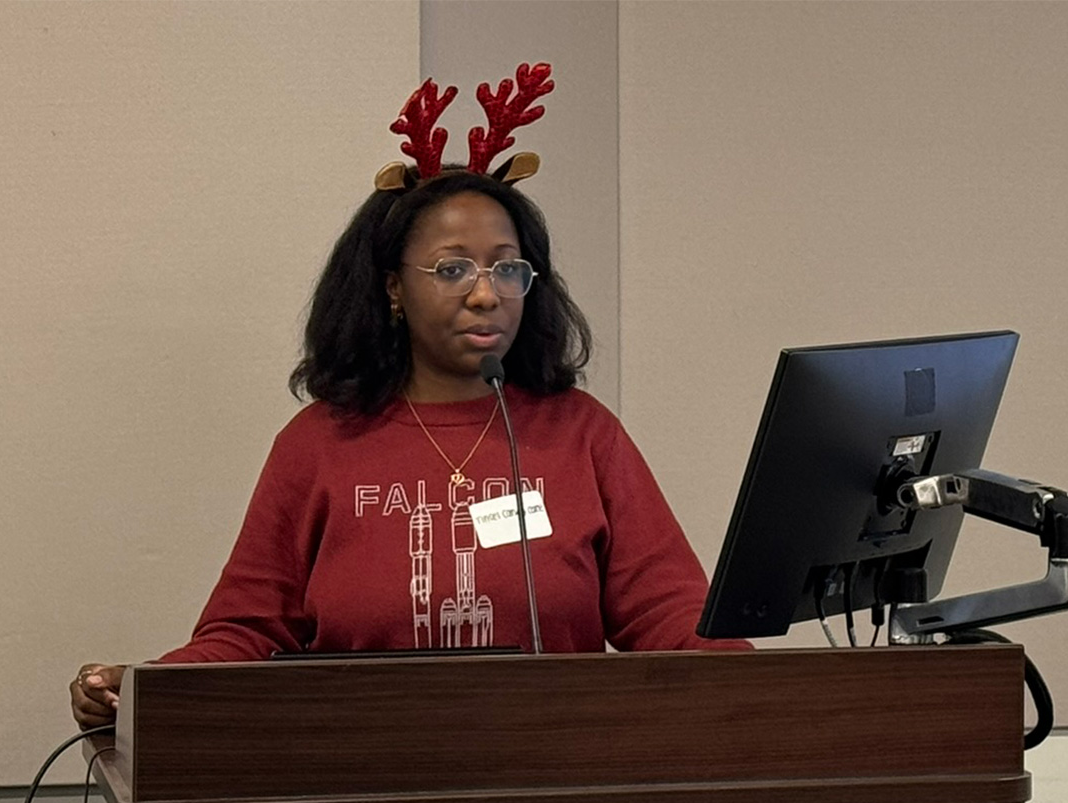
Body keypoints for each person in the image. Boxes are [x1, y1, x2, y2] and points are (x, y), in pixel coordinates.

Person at [70, 64, 747, 730]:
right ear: (394, 287)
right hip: (364, 785)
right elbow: (247, 633)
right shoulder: (319, 444)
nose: (486, 292)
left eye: (507, 267)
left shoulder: (583, 434)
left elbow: (670, 617)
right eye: (452, 268)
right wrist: (144, 688)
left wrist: (770, 690)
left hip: (553, 777)